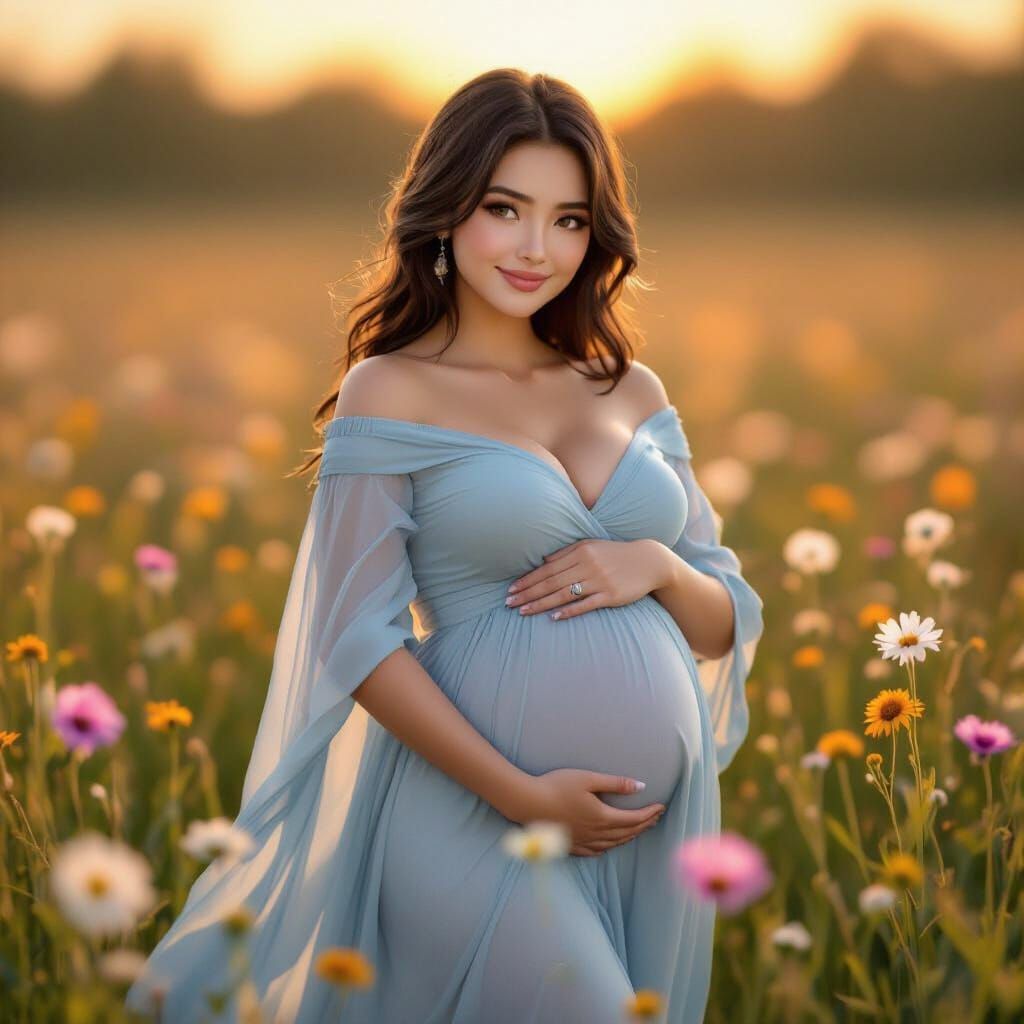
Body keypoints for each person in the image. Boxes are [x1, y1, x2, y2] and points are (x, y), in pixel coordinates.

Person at [126, 67, 764, 1023]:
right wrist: (522, 796)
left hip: (642, 838)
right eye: (505, 209)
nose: (536, 248)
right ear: (446, 209)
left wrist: (659, 565)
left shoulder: (630, 388)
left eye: (568, 219)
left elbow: (719, 622)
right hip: (476, 816)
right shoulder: (392, 389)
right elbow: (357, 638)